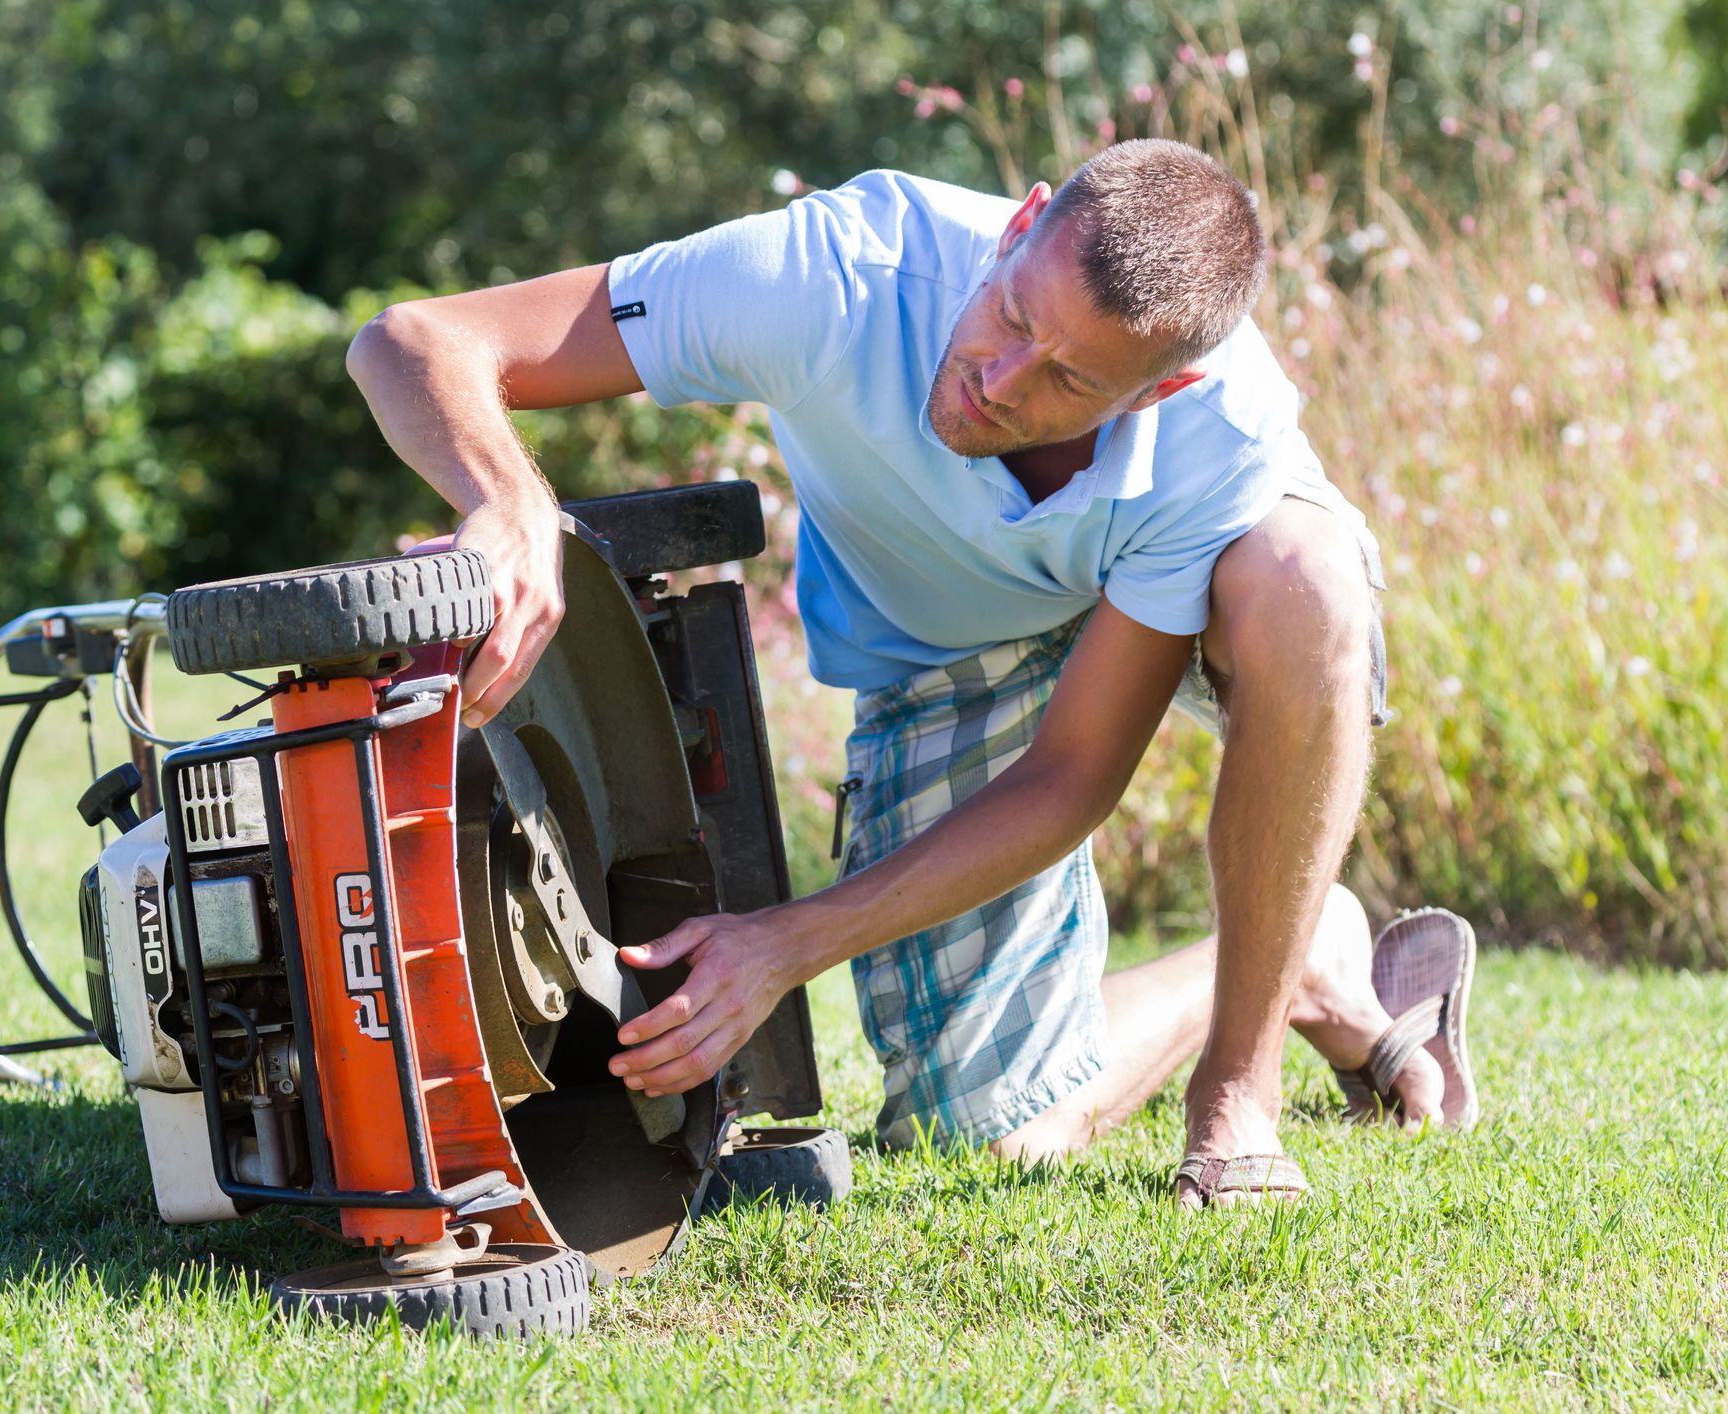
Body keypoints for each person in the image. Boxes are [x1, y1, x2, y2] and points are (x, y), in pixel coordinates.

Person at [347, 139, 1480, 1208]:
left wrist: (789, 942)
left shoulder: (1219, 429)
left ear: (1154, 394)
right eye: (1012, 313)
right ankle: (1315, 951)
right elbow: (413, 341)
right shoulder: (830, 274)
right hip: (946, 648)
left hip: (1170, 602)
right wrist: (511, 500)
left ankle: (1238, 1089)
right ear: (1020, 226)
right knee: (982, 1132)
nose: (1000, 375)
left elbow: (1075, 770)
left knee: (1305, 579)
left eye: (1070, 380)